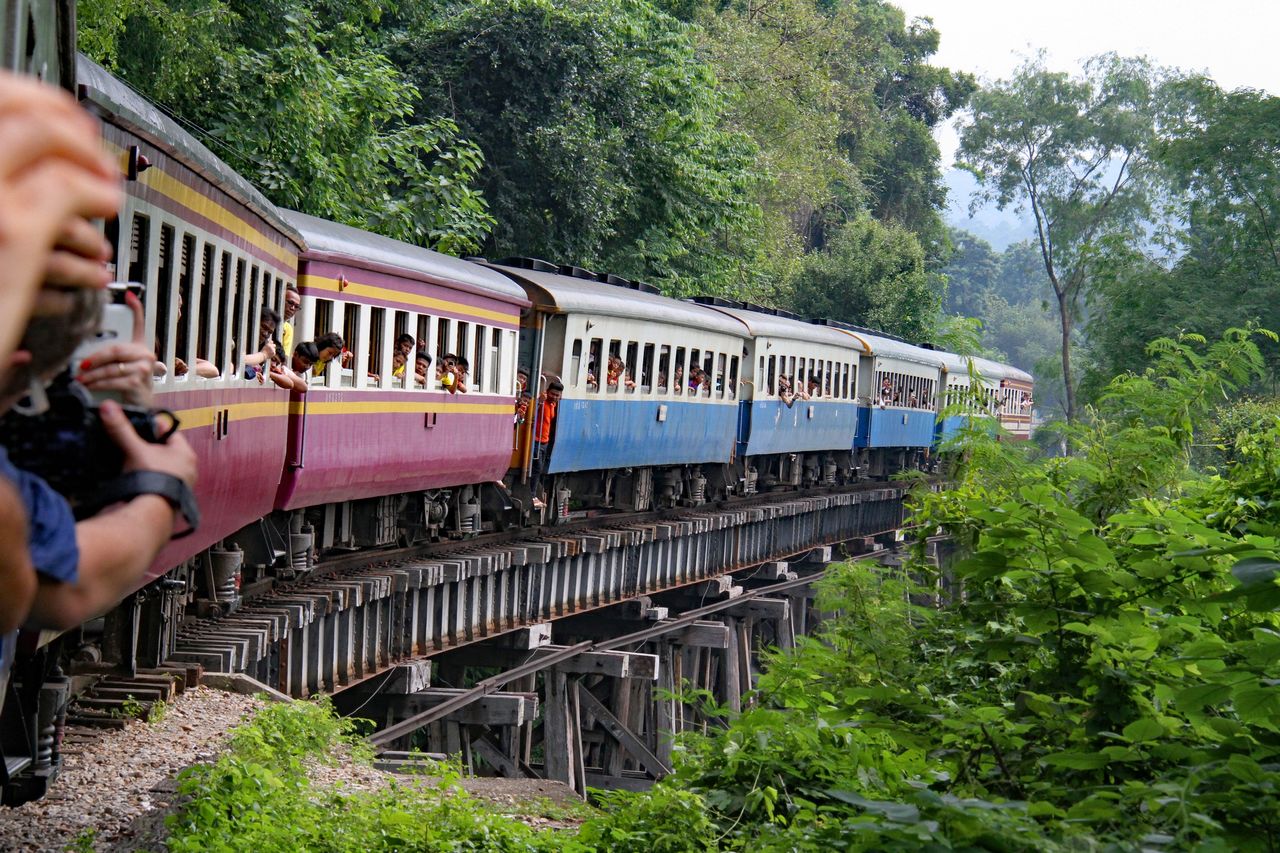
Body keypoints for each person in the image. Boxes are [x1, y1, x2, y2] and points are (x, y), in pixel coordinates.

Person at [528, 379, 562, 510]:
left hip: (544, 441)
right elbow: (532, 411)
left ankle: (533, 494)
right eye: (552, 394)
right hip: (536, 440)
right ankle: (532, 495)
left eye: (557, 395)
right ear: (547, 392)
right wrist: (539, 402)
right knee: (537, 467)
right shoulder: (542, 401)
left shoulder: (553, 405)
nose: (554, 397)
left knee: (539, 468)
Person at [280, 284, 300, 359]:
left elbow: (284, 357)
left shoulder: (288, 329)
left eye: (296, 306)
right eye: (290, 303)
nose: (292, 308)